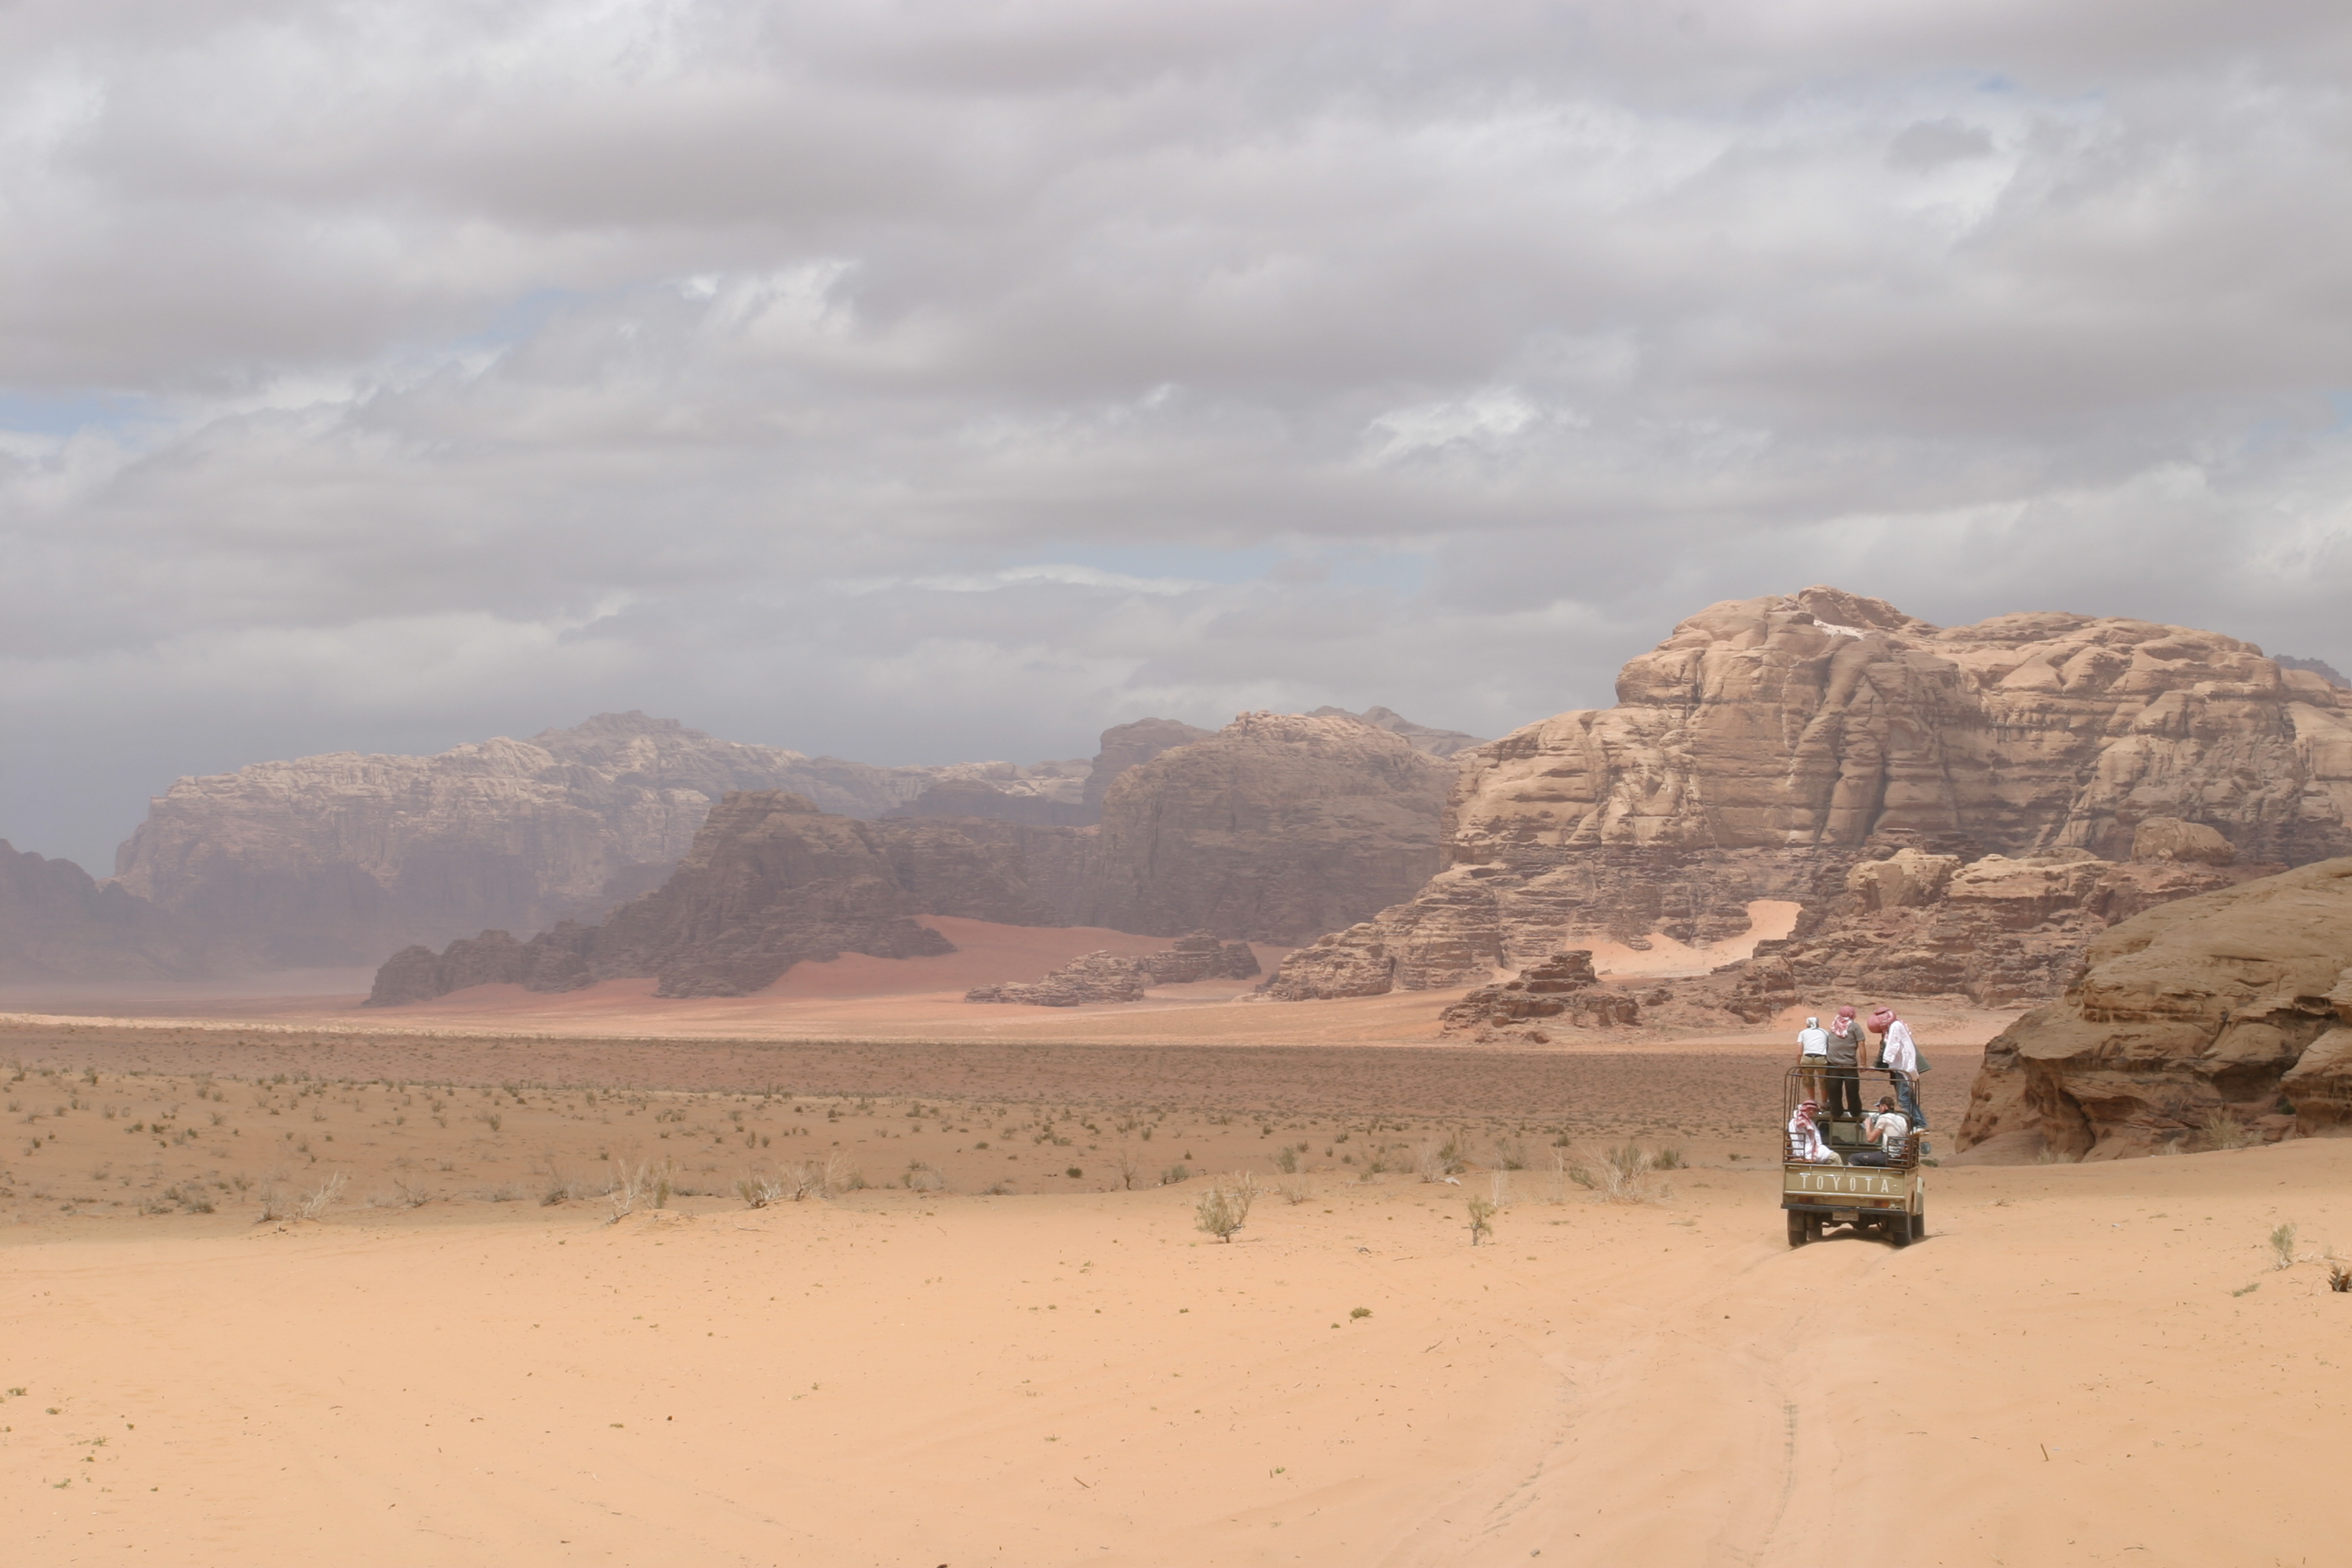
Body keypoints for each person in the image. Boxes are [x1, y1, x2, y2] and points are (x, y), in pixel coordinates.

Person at [1870, 1005, 1927, 1131]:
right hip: (1899, 1069)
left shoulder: (1895, 1027)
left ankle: (1920, 1124)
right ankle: (1918, 1123)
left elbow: (1892, 1046)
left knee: (1903, 1100)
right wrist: (1878, 1066)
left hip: (1903, 1069)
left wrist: (1886, 1061)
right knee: (1908, 1100)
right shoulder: (1892, 1028)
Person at [1825, 1004, 1866, 1121]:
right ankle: (1855, 1113)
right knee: (1852, 1092)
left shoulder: (1833, 1026)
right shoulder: (1854, 1026)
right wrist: (1863, 1064)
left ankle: (1836, 1113)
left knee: (1834, 1092)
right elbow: (1861, 1044)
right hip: (1849, 1065)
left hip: (1833, 1065)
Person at [1847, 1096, 1909, 1166]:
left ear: (1884, 1106)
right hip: (1898, 1157)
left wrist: (1867, 1126)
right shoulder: (1902, 1119)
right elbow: (1906, 1140)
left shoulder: (1884, 1117)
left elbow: (1870, 1139)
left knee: (1853, 1158)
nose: (1879, 1109)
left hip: (1887, 1156)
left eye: (1879, 1107)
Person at [1786, 1099, 1838, 1164]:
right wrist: (1800, 1156)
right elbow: (1795, 1139)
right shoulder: (1796, 1122)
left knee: (1835, 1156)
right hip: (1805, 1152)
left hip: (1813, 1150)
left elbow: (1816, 1140)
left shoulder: (1810, 1122)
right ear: (1804, 1109)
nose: (1811, 1112)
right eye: (1809, 1109)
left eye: (1813, 1110)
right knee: (1835, 1157)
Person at [1795, 1015, 1830, 1110]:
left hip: (1807, 1058)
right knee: (1824, 1081)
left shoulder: (1803, 1033)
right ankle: (1824, 1103)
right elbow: (1828, 1047)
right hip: (1821, 1058)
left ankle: (1812, 1102)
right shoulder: (1824, 1032)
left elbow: (1799, 1053)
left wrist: (1799, 1068)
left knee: (1808, 1081)